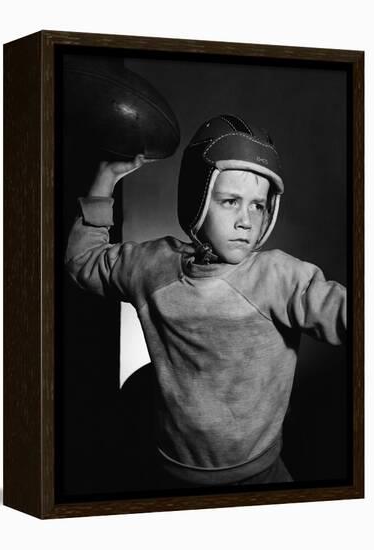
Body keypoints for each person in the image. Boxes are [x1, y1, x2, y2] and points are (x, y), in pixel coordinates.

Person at [64, 114, 346, 487]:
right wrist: (105, 180)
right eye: (230, 201)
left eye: (258, 206)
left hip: (261, 475)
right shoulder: (152, 266)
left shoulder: (281, 277)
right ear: (197, 199)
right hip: (167, 472)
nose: (247, 220)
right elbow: (83, 262)